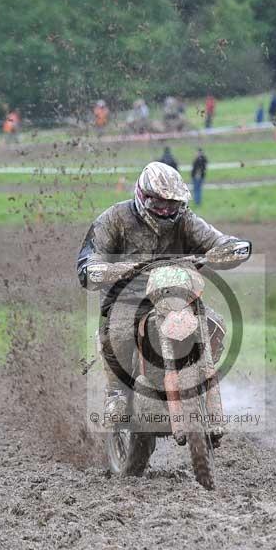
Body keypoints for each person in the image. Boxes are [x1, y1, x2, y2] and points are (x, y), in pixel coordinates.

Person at [77, 162, 246, 420]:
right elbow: (89, 261)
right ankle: (116, 393)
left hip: (176, 294)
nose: (167, 210)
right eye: (159, 203)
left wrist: (228, 248)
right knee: (118, 332)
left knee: (214, 325)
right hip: (129, 298)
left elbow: (215, 239)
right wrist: (100, 269)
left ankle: (199, 378)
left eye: (173, 204)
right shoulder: (114, 219)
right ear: (143, 196)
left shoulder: (185, 220)